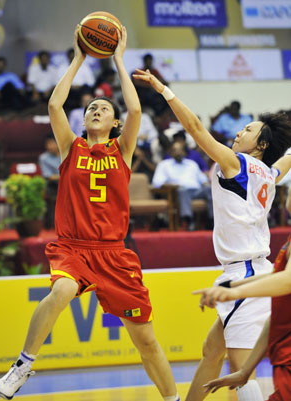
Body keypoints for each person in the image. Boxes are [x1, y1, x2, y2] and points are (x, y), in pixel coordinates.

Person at [0, 26, 180, 401]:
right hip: (74, 248)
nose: (97, 110)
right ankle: (23, 365)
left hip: (114, 252)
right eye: (92, 108)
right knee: (61, 289)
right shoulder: (70, 148)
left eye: (104, 109)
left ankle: (172, 399)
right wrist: (79, 57)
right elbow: (52, 106)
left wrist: (119, 61)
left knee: (146, 342)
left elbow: (137, 109)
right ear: (84, 120)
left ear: (114, 123)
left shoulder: (122, 151)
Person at [132, 69, 291, 401]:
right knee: (212, 352)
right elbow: (287, 159)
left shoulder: (238, 164)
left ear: (260, 145)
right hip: (251, 267)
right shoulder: (269, 173)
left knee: (239, 370)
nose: (238, 131)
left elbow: (194, 128)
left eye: (247, 129)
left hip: (245, 274)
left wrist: (164, 90)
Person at [195, 233, 291, 400]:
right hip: (283, 363)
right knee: (211, 350)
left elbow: (287, 279)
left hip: (287, 361)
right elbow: (278, 276)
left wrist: (235, 292)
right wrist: (230, 287)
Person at [152, 141, 213, 231]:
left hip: (196, 191)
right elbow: (157, 183)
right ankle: (189, 220)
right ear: (171, 152)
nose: (179, 152)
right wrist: (173, 186)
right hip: (177, 192)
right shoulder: (164, 165)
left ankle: (212, 220)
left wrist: (207, 183)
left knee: (210, 189)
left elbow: (203, 180)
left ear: (185, 152)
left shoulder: (191, 164)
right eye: (176, 150)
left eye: (181, 150)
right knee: (183, 190)